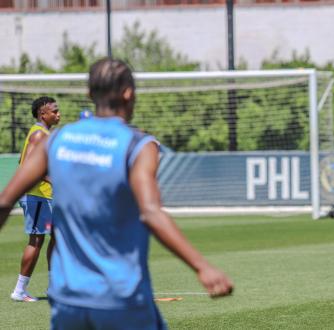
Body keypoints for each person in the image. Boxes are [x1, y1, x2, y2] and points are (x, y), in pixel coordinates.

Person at [0, 58, 233, 329]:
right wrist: (202, 266)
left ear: (89, 93)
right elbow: (151, 212)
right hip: (120, 298)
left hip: (68, 303)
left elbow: (5, 200)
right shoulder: (138, 144)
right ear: (129, 93)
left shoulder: (58, 141)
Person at [11, 96, 60, 302]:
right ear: (43, 114)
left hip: (44, 195)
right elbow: (28, 168)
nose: (59, 114)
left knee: (57, 239)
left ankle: (54, 288)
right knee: (37, 240)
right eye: (54, 111)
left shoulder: (44, 134)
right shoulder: (39, 134)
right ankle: (19, 291)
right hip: (35, 195)